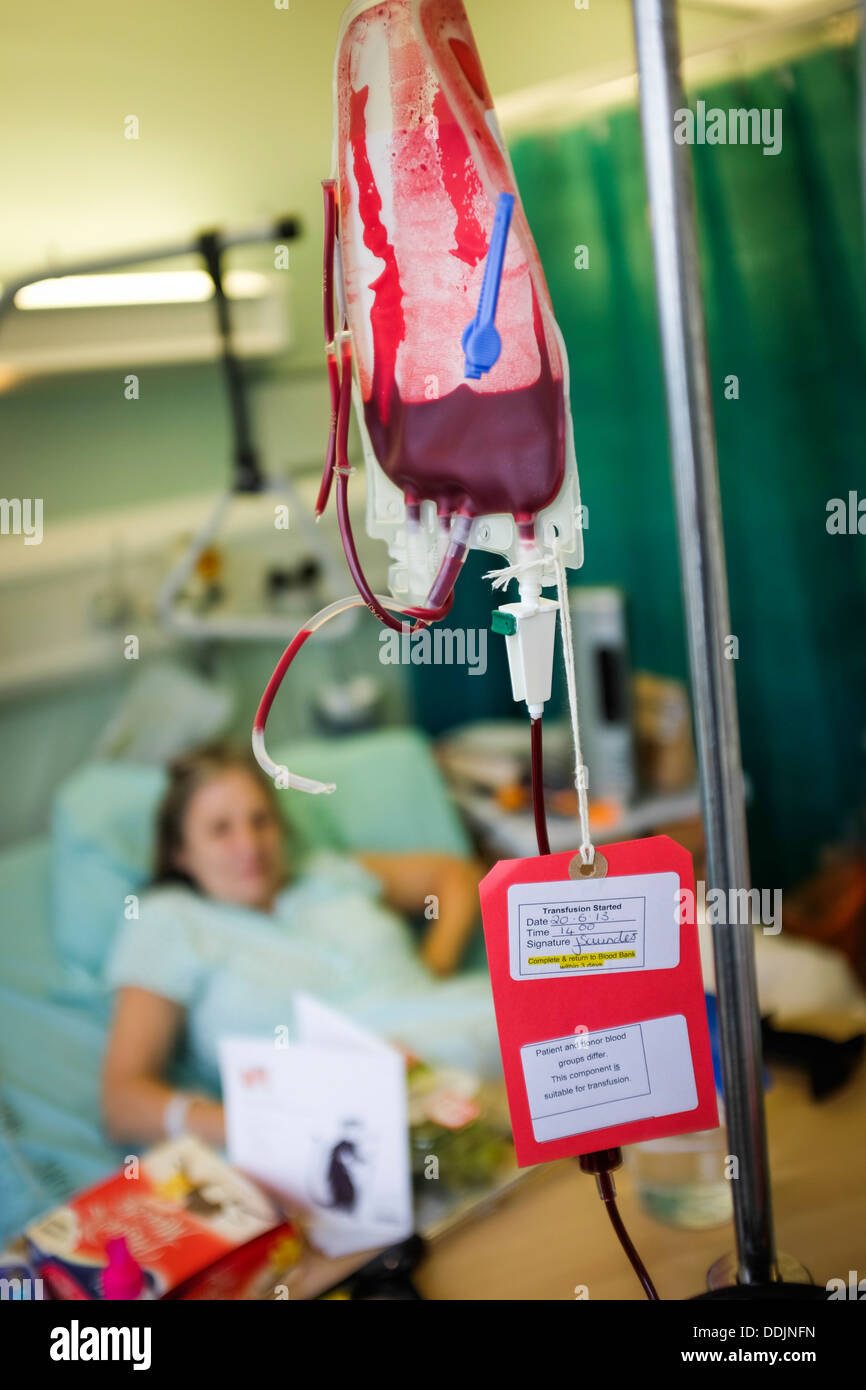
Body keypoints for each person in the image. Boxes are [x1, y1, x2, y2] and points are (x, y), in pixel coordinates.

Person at [101, 742, 496, 1147]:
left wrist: (434, 969)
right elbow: (124, 1103)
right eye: (221, 829)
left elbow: (456, 875)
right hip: (369, 1110)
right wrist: (265, 1128)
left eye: (261, 821)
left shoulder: (325, 874)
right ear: (181, 853)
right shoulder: (170, 920)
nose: (249, 845)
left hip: (481, 1027)